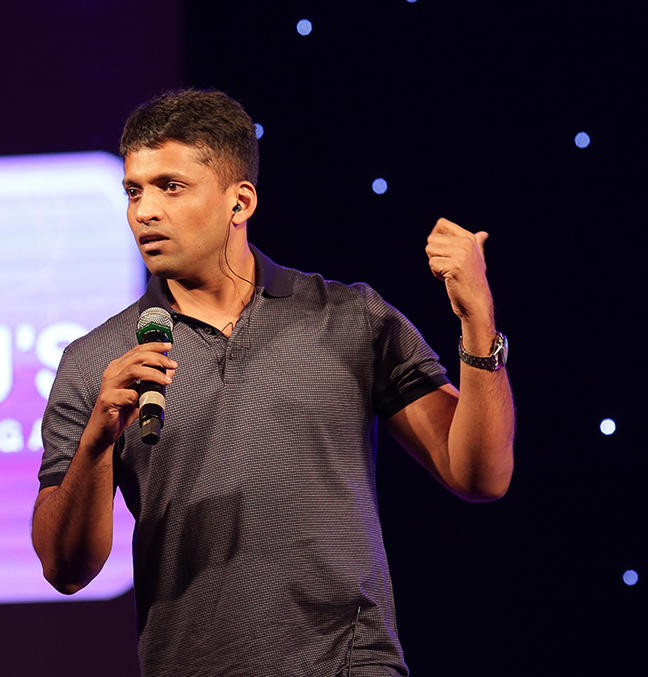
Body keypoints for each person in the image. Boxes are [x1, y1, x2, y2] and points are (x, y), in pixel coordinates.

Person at [31, 89, 514, 677]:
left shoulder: (349, 317)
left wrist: (477, 320)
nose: (144, 212)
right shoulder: (95, 362)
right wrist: (98, 439)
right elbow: (65, 569)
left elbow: (480, 474)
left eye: (170, 187)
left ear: (239, 202)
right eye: (134, 191)